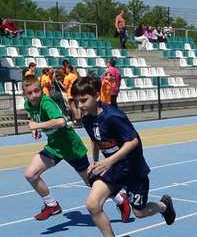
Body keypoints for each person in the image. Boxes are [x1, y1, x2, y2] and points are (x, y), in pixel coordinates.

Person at [73, 76, 176, 237]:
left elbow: (133, 141)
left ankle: (164, 206)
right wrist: (94, 161)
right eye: (76, 100)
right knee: (92, 204)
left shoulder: (113, 116)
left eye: (83, 100)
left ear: (97, 96)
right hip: (114, 169)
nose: (79, 105)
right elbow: (95, 140)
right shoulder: (87, 119)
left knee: (139, 212)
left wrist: (109, 161)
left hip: (133, 169)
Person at [21, 74, 130, 222]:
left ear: (41, 90)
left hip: (71, 146)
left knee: (91, 182)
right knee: (30, 175)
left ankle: (120, 200)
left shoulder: (46, 103)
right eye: (30, 93)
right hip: (54, 146)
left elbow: (60, 122)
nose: (34, 95)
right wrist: (35, 129)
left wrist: (38, 126)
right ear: (24, 94)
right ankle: (51, 204)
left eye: (37, 91)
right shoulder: (28, 105)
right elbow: (35, 118)